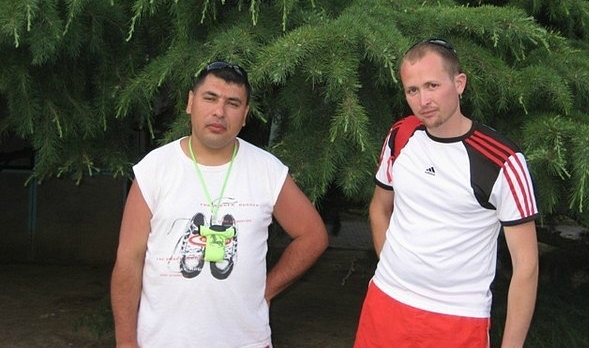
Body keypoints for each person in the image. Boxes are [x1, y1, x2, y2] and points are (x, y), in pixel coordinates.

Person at [111, 61, 329, 348]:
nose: (219, 112)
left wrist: (266, 290)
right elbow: (129, 260)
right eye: (210, 98)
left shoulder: (266, 170)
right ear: (191, 102)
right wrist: (125, 342)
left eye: (233, 103)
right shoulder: (155, 169)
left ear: (245, 115)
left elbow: (313, 236)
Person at [354, 39, 539, 348]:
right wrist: (394, 271)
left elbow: (526, 266)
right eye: (412, 90)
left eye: (432, 85)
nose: (423, 100)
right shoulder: (401, 135)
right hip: (384, 303)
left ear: (459, 83)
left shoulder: (502, 159)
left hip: (456, 319)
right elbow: (379, 208)